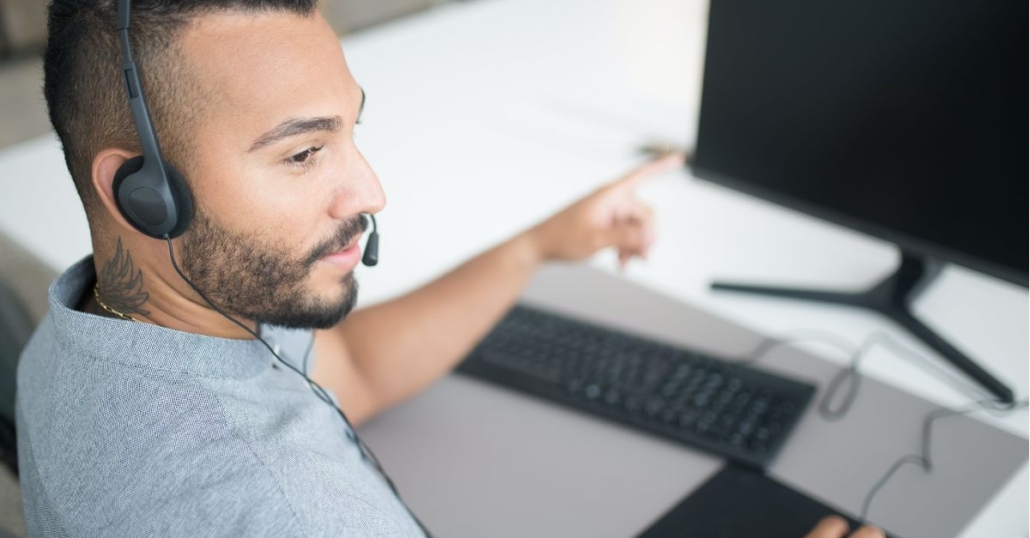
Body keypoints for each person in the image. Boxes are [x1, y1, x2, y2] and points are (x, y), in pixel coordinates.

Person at [16, 1, 885, 536]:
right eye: (302, 154)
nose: (371, 190)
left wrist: (536, 246)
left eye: (349, 131)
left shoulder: (88, 332)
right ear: (141, 190)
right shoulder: (291, 508)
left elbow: (350, 369)